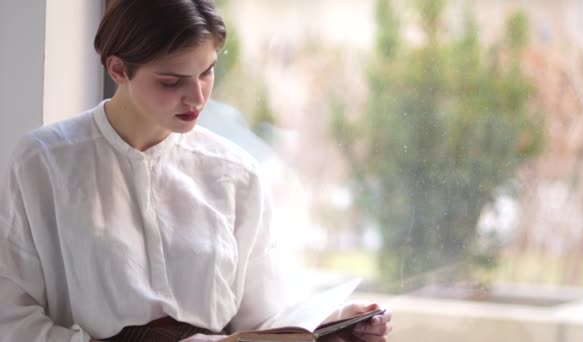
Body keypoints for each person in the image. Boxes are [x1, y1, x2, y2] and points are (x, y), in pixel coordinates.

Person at [0, 0, 392, 341]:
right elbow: (10, 316)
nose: (198, 96)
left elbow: (263, 320)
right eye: (171, 82)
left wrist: (335, 326)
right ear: (118, 69)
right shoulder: (45, 162)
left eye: (206, 72)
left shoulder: (234, 173)